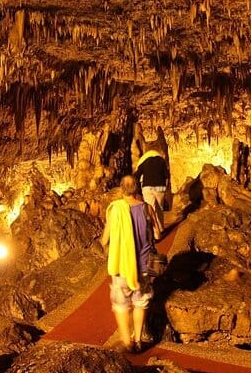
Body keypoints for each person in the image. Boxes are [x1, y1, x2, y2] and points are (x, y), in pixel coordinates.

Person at [100, 175, 157, 353]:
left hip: (122, 265)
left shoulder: (115, 209)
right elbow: (157, 234)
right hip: (144, 265)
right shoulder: (147, 208)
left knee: (121, 304)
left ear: (121, 189)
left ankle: (126, 342)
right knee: (140, 302)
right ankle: (138, 340)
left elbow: (105, 239)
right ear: (137, 188)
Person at [134, 149, 168, 236]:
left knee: (151, 209)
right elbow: (166, 175)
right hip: (160, 187)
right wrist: (166, 187)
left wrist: (138, 188)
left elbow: (136, 175)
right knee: (160, 208)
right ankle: (161, 228)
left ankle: (155, 233)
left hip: (147, 187)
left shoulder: (145, 161)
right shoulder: (162, 161)